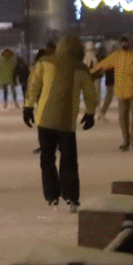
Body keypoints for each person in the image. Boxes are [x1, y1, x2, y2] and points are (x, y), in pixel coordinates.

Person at [23, 34, 98, 211]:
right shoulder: (81, 68)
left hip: (45, 119)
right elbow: (90, 92)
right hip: (67, 121)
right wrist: (90, 112)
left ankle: (52, 196)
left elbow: (33, 84)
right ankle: (71, 196)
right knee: (69, 159)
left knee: (47, 158)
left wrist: (28, 106)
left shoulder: (45, 62)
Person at [92, 35, 133, 151]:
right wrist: (93, 70)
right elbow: (104, 63)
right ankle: (126, 140)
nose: (124, 44)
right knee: (122, 118)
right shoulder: (117, 56)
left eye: (126, 42)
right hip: (121, 92)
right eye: (123, 42)